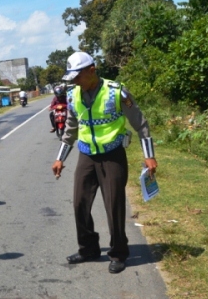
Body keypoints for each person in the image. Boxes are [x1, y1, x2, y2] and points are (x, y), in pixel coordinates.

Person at [51, 51, 157, 274]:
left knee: (114, 205)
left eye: (78, 76)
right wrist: (60, 158)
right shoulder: (73, 96)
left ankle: (118, 253)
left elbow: (141, 123)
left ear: (92, 70)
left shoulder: (116, 92)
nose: (76, 82)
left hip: (112, 156)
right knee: (80, 202)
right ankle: (88, 248)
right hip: (86, 155)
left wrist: (149, 156)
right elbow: (70, 130)